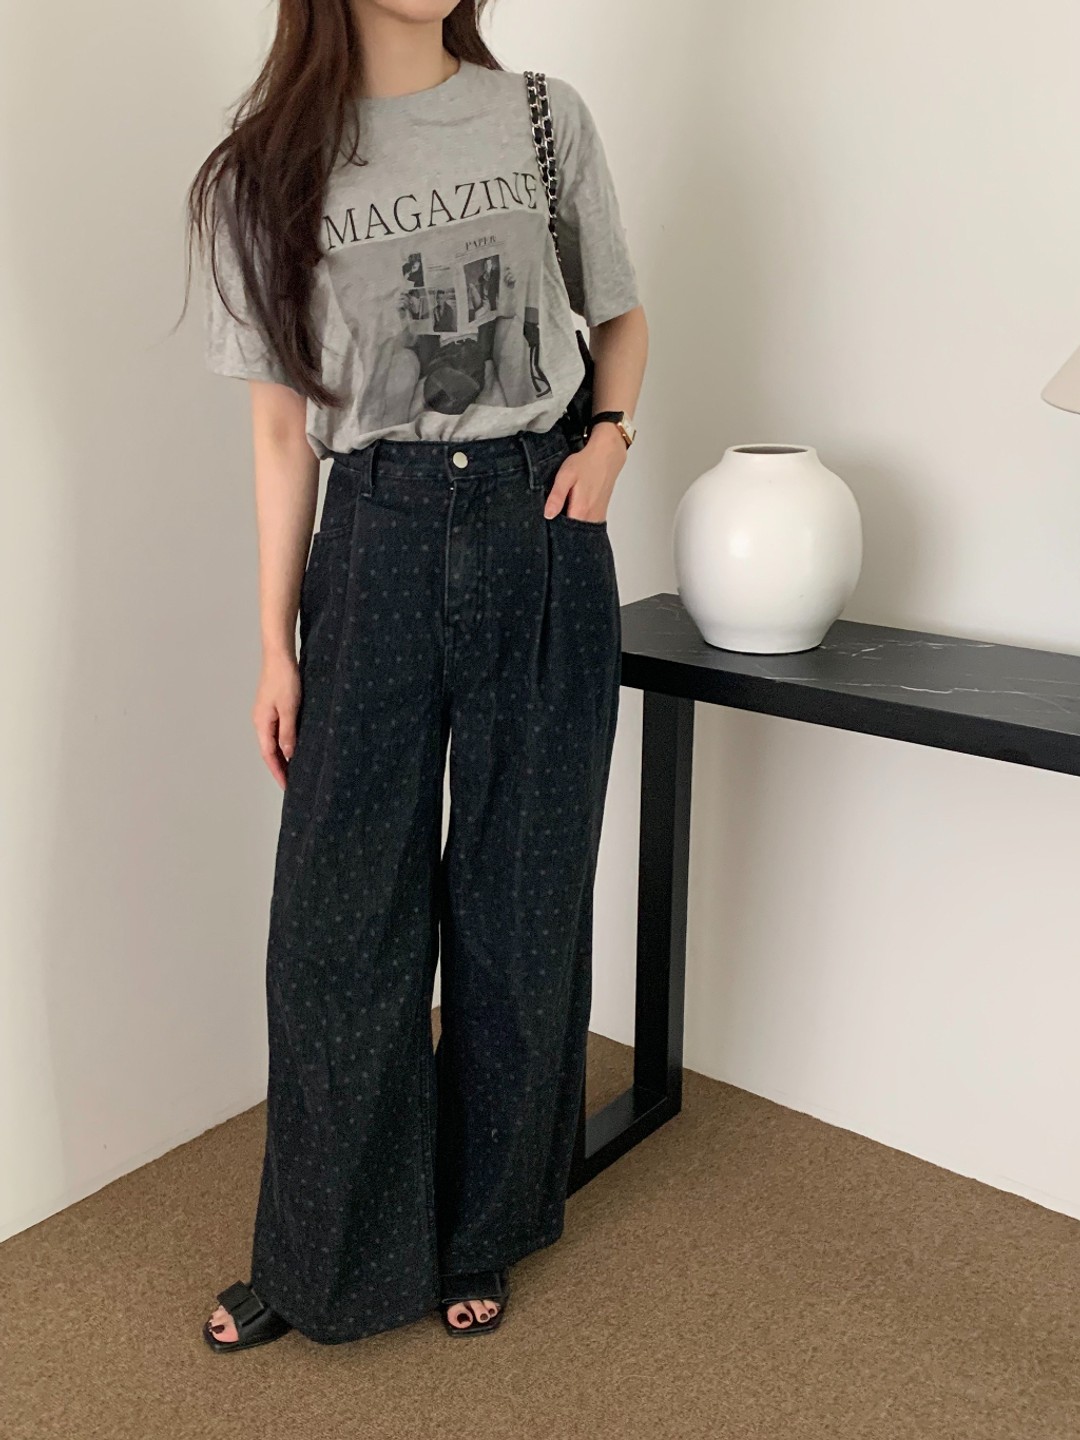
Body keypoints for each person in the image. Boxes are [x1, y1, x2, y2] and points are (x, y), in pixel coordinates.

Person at [185, 0, 647, 1350]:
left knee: (520, 905)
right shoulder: (263, 171)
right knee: (339, 923)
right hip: (375, 535)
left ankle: (481, 1228)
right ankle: (322, 1253)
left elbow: (618, 312)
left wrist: (610, 440)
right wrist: (273, 641)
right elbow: (282, 433)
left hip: (540, 523)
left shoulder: (543, 117)